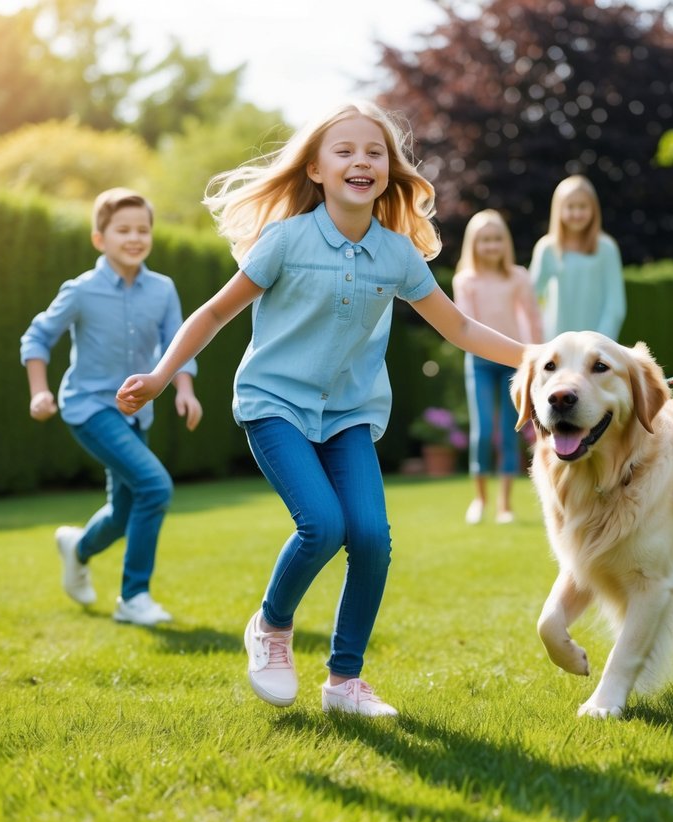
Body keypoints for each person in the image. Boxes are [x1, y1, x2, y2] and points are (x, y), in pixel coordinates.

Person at [116, 101, 527, 717]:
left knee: (371, 538)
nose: (362, 161)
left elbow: (461, 328)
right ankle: (271, 627)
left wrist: (540, 356)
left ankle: (344, 682)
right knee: (323, 525)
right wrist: (160, 374)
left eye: (375, 152)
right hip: (274, 403)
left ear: (389, 170)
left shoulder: (397, 255)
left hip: (350, 414)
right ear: (314, 169)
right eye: (345, 151)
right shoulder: (285, 240)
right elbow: (214, 313)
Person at [20, 187, 202, 627]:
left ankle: (78, 547)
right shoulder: (80, 290)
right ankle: (134, 596)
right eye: (123, 230)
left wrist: (185, 389)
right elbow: (37, 337)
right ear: (100, 238)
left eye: (143, 230)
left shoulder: (163, 289)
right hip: (89, 407)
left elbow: (178, 343)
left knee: (124, 512)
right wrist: (38, 392)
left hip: (136, 411)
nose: (135, 238)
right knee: (155, 486)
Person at [452, 209, 543, 525]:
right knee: (483, 432)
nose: (490, 246)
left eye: (496, 240)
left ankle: (505, 505)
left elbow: (532, 319)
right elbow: (465, 324)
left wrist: (540, 361)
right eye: (484, 241)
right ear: (473, 245)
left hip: (512, 364)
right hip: (478, 363)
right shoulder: (465, 280)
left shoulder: (518, 276)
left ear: (505, 243)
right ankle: (479, 499)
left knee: (508, 431)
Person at [530, 175, 626, 340]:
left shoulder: (607, 249)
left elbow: (615, 306)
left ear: (593, 209)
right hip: (554, 343)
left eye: (583, 206)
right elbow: (529, 297)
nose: (577, 213)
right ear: (559, 209)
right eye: (571, 206)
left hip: (597, 347)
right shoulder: (546, 248)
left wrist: (599, 342)